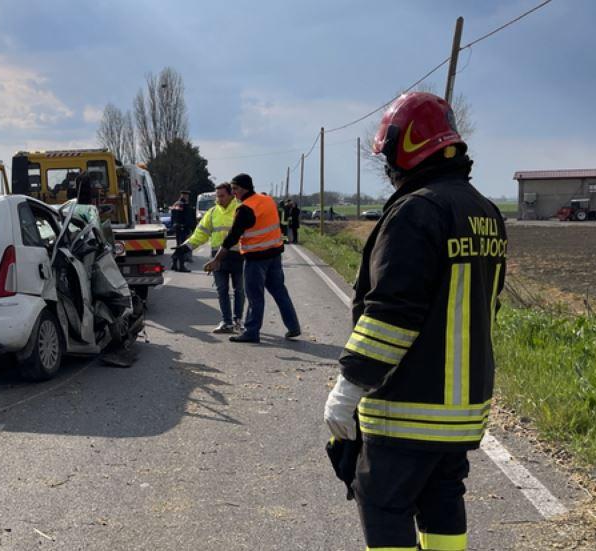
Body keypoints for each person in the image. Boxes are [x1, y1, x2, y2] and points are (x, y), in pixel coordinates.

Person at [323, 92, 506, 551]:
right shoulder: (485, 212)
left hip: (408, 406)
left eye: (388, 155)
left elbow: (392, 314)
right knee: (442, 498)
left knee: (382, 502)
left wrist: (349, 387)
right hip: (463, 409)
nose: (388, 168)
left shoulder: (416, 211)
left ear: (405, 148)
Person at [205, 174, 301, 344]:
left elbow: (232, 237)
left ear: (244, 188)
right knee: (280, 292)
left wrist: (217, 259)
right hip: (274, 255)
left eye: (235, 189)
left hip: (256, 258)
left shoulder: (245, 209)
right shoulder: (267, 200)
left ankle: (251, 332)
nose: (233, 192)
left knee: (255, 296)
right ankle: (293, 327)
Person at [175, 182, 244, 333]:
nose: (219, 199)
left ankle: (238, 321)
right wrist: (186, 247)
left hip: (239, 256)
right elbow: (201, 233)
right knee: (222, 290)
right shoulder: (212, 212)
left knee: (239, 290)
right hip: (217, 258)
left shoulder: (241, 209)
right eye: (217, 196)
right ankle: (227, 322)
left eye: (222, 196)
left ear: (231, 195)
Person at [170, 190, 194, 272]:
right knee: (182, 248)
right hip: (182, 228)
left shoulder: (176, 204)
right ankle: (181, 266)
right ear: (183, 196)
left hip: (179, 228)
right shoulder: (182, 204)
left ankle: (174, 263)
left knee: (179, 247)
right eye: (186, 196)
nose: (187, 197)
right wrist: (189, 227)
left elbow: (174, 217)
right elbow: (185, 218)